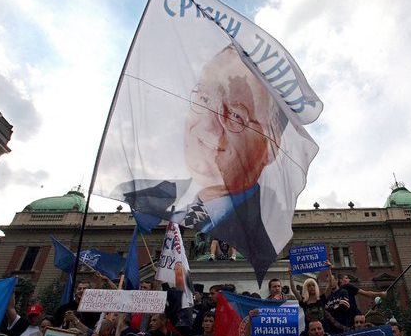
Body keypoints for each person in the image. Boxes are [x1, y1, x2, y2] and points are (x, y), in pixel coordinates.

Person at [115, 44, 288, 276]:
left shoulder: (267, 230)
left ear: (271, 147)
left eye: (237, 116)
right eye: (204, 99)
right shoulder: (150, 198)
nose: (207, 127)